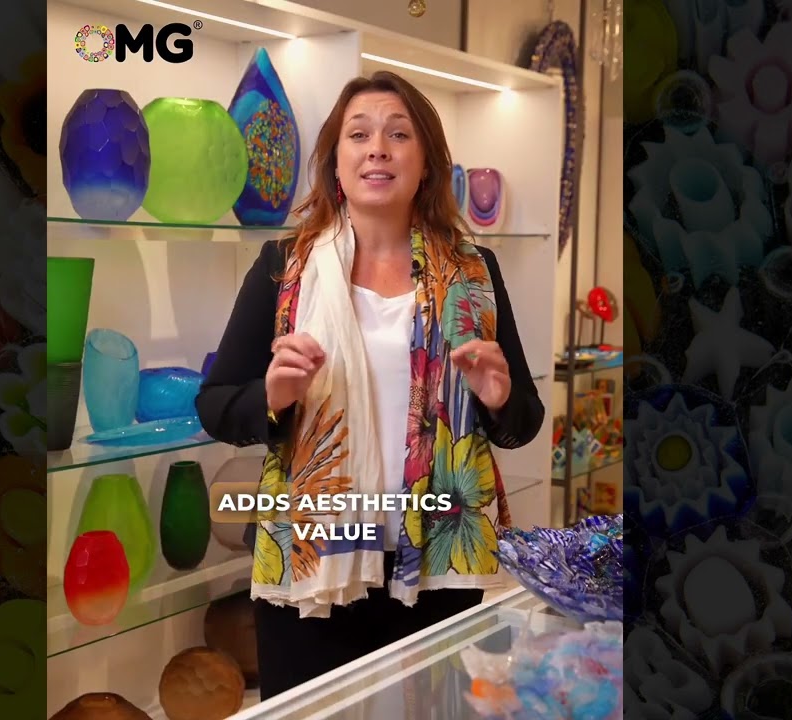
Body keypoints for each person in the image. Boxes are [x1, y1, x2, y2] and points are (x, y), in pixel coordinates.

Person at [195, 70, 545, 700]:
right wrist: (272, 398)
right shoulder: (283, 269)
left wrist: (498, 399)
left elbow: (522, 422)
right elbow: (216, 406)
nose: (377, 148)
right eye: (358, 135)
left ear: (427, 164)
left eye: (398, 134)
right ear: (336, 162)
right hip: (313, 557)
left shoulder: (474, 273)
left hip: (437, 559)